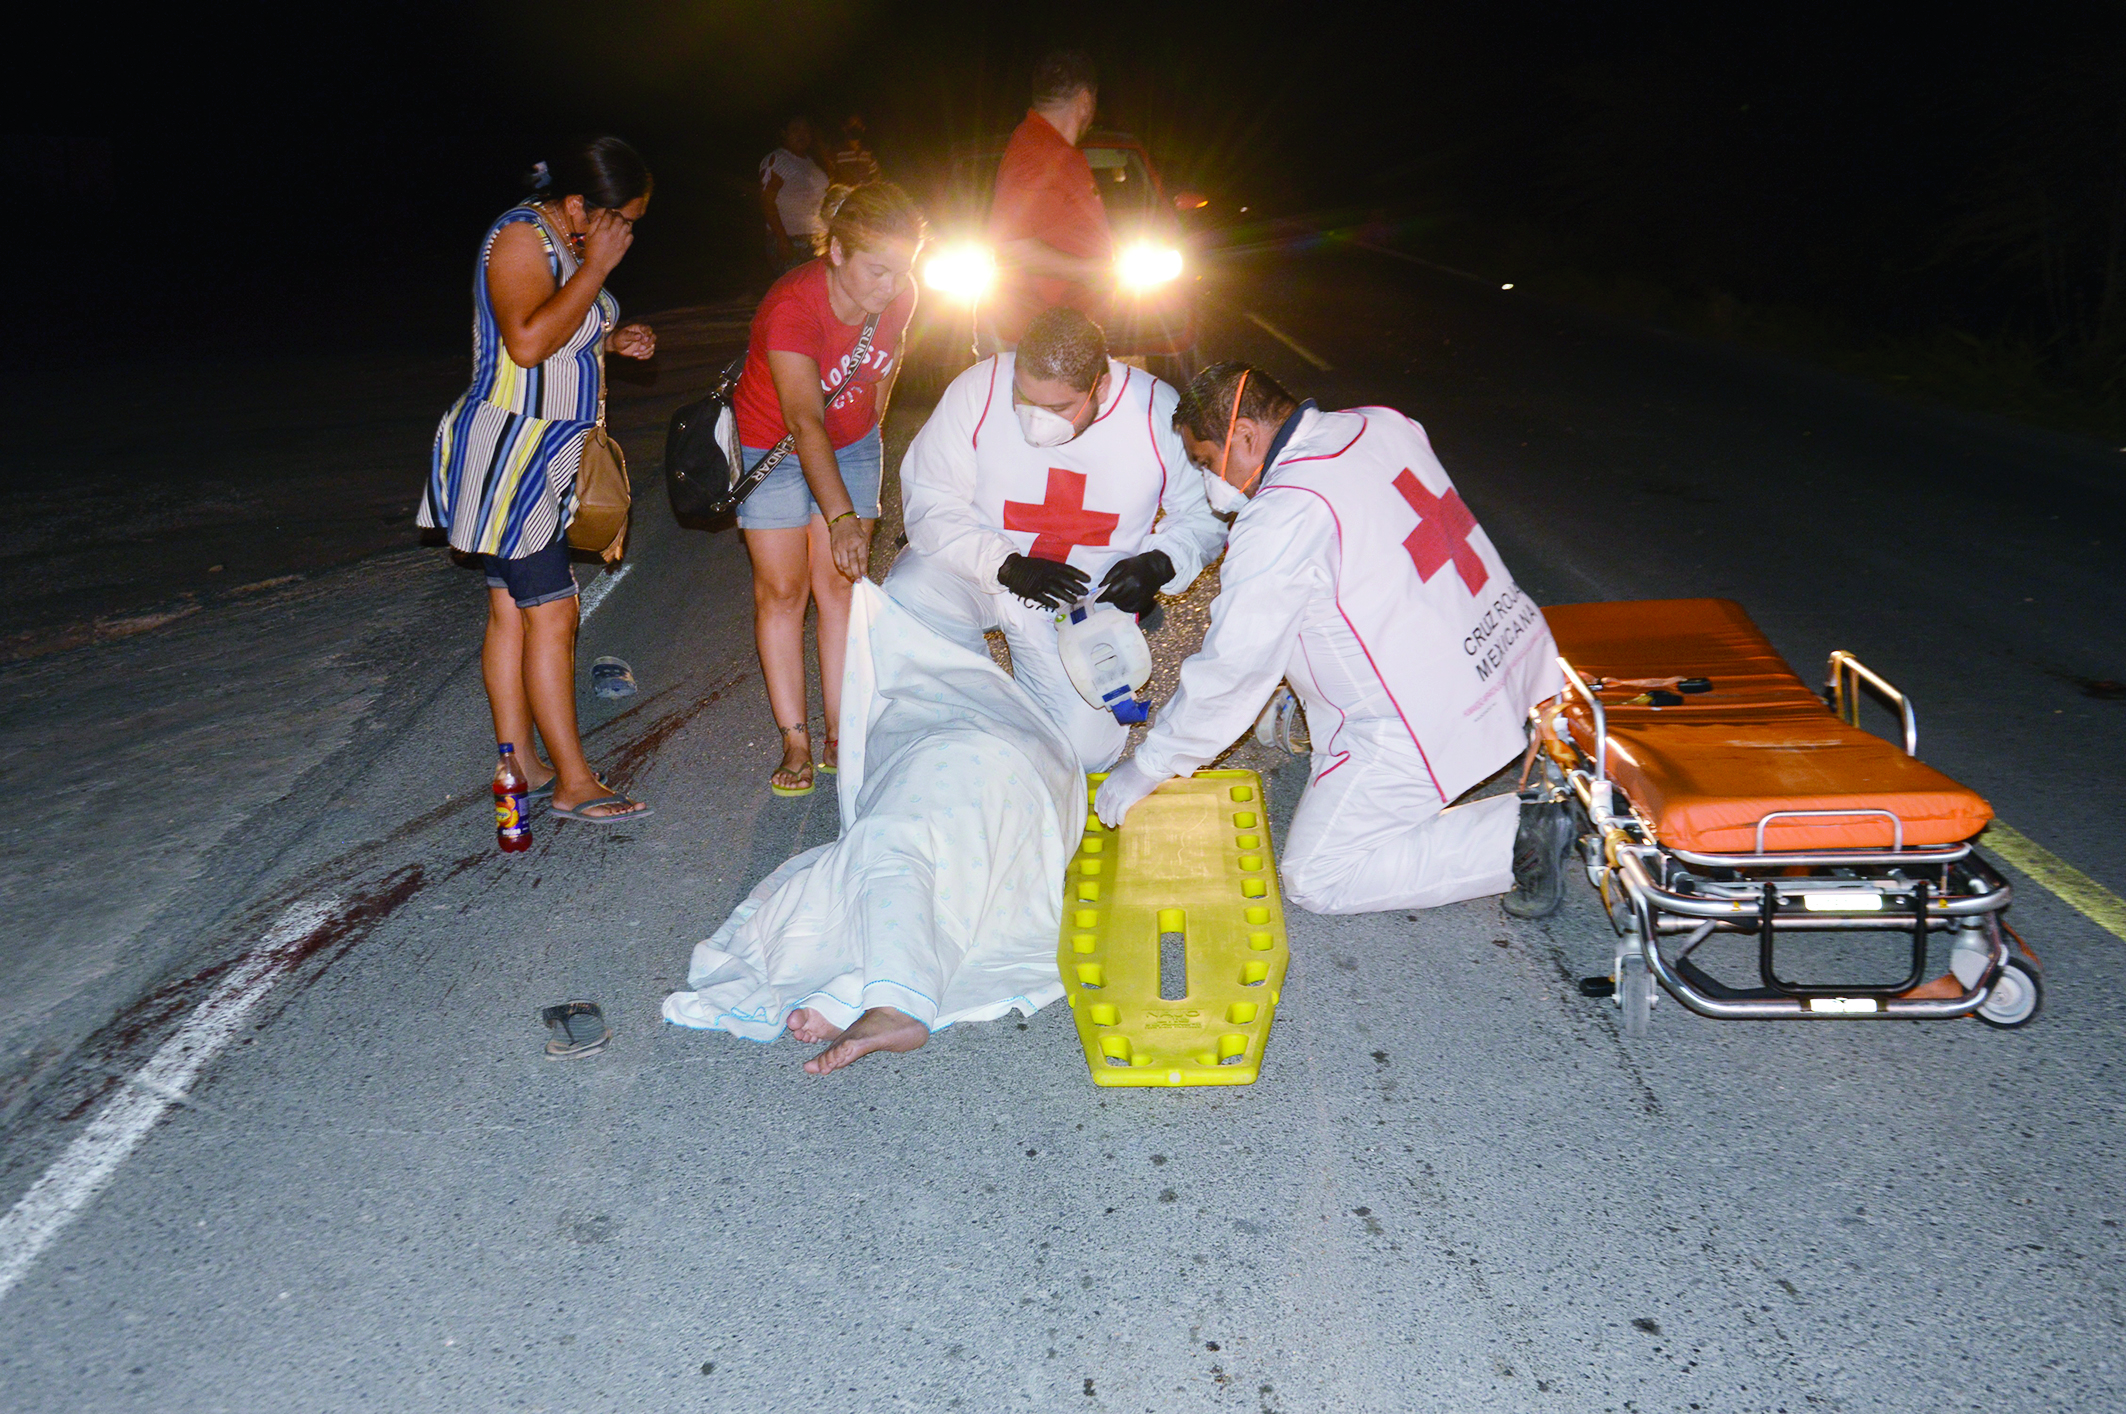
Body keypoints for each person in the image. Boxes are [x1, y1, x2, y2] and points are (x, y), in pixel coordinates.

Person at [1093, 363, 1570, 916]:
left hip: (1417, 720)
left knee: (1318, 876)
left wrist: (1151, 765)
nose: (1209, 484)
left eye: (1204, 462)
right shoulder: (1383, 424)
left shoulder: (1281, 517)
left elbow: (1233, 670)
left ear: (1244, 435)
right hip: (1504, 654)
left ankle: (1522, 835)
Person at [662, 581, 1084, 1075]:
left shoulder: (927, 680)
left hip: (985, 767)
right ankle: (869, 991)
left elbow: (873, 775)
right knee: (922, 858)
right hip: (1009, 778)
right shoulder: (983, 686)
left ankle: (889, 999)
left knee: (889, 846)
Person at [419, 137, 656, 825]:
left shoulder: (568, 238)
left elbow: (560, 332)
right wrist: (599, 267)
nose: (627, 233)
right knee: (551, 612)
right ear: (581, 204)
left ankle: (519, 757)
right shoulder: (523, 237)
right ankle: (574, 782)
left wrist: (613, 340)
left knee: (511, 611)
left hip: (545, 452)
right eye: (623, 219)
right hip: (512, 453)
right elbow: (523, 341)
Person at [885, 305, 1224, 770]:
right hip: (982, 569)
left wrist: (1160, 562)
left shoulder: (1156, 409)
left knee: (1083, 754)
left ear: (1100, 385)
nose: (1035, 420)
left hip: (1076, 603)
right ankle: (967, 717)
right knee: (910, 591)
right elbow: (930, 501)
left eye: (1059, 407)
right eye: (1024, 399)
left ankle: (1022, 717)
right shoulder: (979, 387)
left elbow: (1204, 514)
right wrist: (1005, 564)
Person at [730, 182, 927, 796]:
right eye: (878, 269)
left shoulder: (901, 294)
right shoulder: (793, 304)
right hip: (773, 445)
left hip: (852, 441)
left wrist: (867, 436)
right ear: (837, 251)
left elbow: (882, 376)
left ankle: (843, 733)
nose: (891, 286)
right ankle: (795, 740)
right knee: (783, 591)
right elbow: (803, 419)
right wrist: (841, 514)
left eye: (903, 270)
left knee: (840, 589)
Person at [986, 49, 1113, 347]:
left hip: (1060, 332)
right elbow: (1010, 247)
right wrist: (1093, 270)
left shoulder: (1050, 149)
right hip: (1039, 343)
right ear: (1085, 100)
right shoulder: (1036, 153)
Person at [758, 116, 829, 274]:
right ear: (784, 133)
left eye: (806, 131)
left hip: (817, 237)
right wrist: (782, 240)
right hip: (792, 238)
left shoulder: (809, 161)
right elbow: (767, 201)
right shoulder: (778, 160)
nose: (802, 135)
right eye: (795, 130)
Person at [826, 112, 880, 186]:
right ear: (845, 128)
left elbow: (875, 175)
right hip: (845, 196)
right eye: (852, 123)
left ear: (863, 128)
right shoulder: (836, 152)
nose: (855, 126)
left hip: (864, 195)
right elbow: (829, 176)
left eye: (858, 123)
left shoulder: (868, 152)